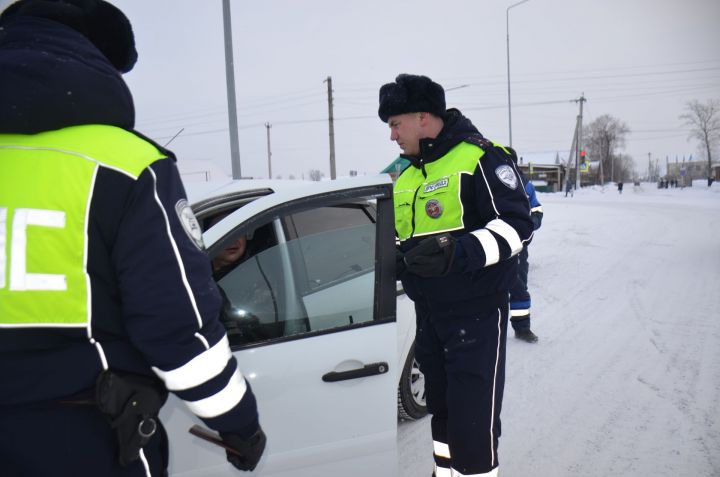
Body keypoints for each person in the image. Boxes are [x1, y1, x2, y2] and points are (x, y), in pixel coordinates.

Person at [0, 2, 265, 476]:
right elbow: (177, 328)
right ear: (94, 60)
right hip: (85, 441)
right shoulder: (127, 163)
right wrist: (238, 422)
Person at [380, 74, 534, 477]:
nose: (392, 136)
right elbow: (406, 239)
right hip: (430, 315)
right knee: (444, 415)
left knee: (473, 425)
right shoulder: (409, 176)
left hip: (476, 313)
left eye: (395, 124)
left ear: (422, 117)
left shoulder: (480, 157)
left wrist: (457, 252)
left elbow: (518, 226)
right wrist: (398, 257)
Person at [507, 157, 544, 343]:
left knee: (518, 286)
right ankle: (485, 331)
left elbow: (536, 209)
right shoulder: (487, 180)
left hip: (518, 245)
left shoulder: (524, 184)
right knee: (487, 289)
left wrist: (530, 224)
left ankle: (522, 328)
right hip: (489, 244)